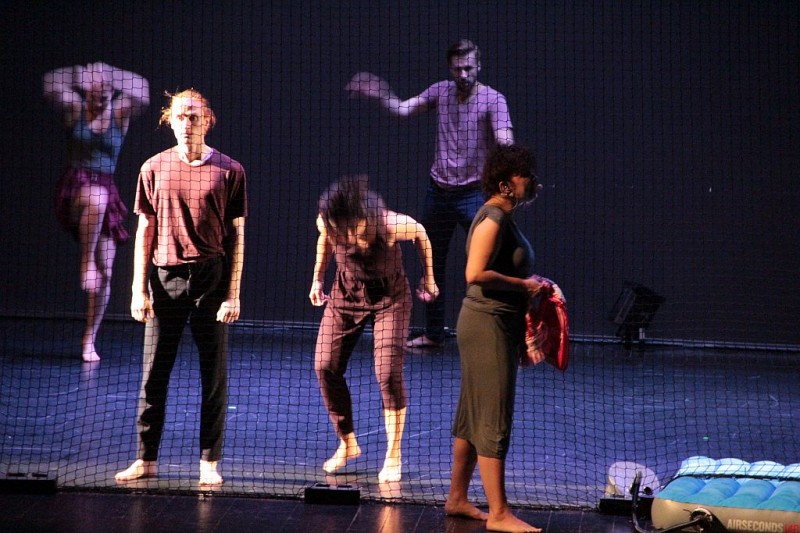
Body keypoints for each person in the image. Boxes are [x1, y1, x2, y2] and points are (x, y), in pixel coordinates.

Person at [115, 89, 247, 486]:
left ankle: (209, 461)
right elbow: (145, 229)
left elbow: (237, 236)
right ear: (168, 121)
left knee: (213, 376)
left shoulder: (230, 170)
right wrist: (138, 289)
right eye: (180, 116)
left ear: (208, 121)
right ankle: (146, 459)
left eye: (194, 116)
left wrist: (233, 293)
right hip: (165, 280)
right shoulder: (153, 168)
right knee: (153, 373)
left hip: (211, 279)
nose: (187, 123)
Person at [346, 39, 513, 348]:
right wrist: (380, 92)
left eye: (468, 68)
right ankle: (434, 333)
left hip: (474, 195)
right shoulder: (441, 91)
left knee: (488, 262)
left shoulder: (494, 100)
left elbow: (505, 139)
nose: (463, 74)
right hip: (439, 193)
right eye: (457, 69)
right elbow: (403, 109)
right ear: (450, 68)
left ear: (479, 66)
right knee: (431, 264)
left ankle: (501, 332)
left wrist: (509, 158)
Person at [444, 144, 549, 533]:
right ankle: (499, 514)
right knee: (492, 416)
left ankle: (457, 498)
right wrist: (524, 285)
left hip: (493, 323)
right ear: (506, 184)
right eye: (527, 176)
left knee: (473, 415)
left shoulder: (503, 217)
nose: (534, 182)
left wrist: (529, 287)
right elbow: (474, 273)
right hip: (486, 326)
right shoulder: (493, 218)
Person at [309, 176, 439, 483]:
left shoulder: (391, 225)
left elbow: (421, 233)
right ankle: (348, 443)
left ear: (364, 219)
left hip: (390, 298)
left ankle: (393, 454)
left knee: (387, 373)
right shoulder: (328, 222)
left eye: (352, 230)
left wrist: (429, 278)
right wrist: (317, 278)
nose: (347, 237)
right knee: (325, 364)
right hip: (345, 295)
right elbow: (325, 239)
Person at [43, 62, 150, 362]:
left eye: (104, 96)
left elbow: (143, 92)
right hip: (76, 189)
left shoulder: (119, 114)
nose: (99, 102)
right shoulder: (76, 109)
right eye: (94, 95)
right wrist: (79, 74)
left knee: (107, 272)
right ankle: (85, 262)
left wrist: (110, 73)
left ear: (111, 94)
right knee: (95, 197)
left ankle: (89, 338)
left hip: (105, 190)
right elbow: (50, 84)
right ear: (85, 92)